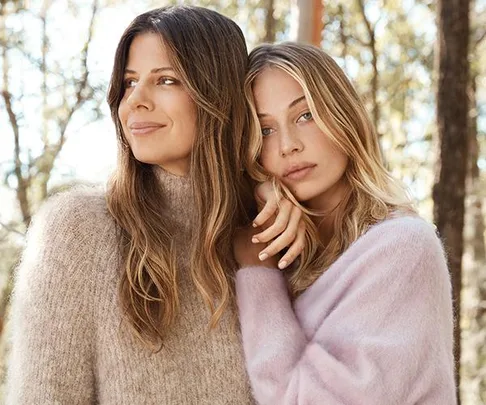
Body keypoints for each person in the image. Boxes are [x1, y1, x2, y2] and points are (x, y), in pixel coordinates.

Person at [5, 7, 302, 404]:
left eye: (165, 80)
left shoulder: (271, 231)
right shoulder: (77, 230)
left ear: (218, 94)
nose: (135, 102)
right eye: (129, 83)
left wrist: (263, 189)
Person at [233, 42, 456, 404]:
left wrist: (256, 267)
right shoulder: (281, 254)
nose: (288, 145)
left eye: (305, 115)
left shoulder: (403, 248)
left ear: (343, 116)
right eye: (266, 131)